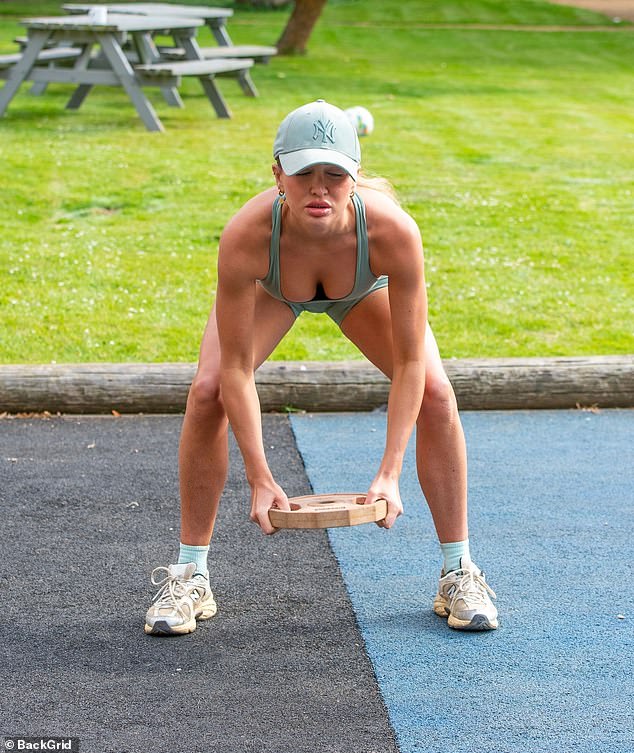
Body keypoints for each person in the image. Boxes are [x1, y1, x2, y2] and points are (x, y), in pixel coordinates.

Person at [144, 100, 498, 636]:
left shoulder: (392, 232)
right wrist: (260, 479)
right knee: (208, 391)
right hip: (275, 289)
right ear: (277, 173)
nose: (319, 188)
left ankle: (459, 571)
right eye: (304, 172)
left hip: (361, 289)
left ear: (354, 179)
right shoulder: (246, 235)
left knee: (436, 393)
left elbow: (407, 362)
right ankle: (190, 574)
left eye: (334, 175)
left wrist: (389, 473)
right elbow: (238, 369)